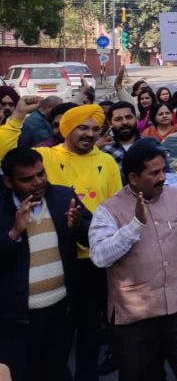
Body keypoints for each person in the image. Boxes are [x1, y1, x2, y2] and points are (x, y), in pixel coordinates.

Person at [0, 99, 122, 381]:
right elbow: (7, 154)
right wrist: (18, 116)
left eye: (95, 129)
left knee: (89, 334)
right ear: (66, 129)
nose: (90, 134)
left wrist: (83, 228)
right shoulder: (44, 156)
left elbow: (113, 211)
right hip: (37, 286)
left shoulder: (101, 165)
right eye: (82, 127)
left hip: (90, 263)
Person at [89, 139, 177, 380]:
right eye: (154, 173)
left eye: (163, 170)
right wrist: (134, 226)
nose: (163, 177)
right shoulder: (108, 210)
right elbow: (100, 257)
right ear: (133, 178)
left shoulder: (175, 196)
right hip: (135, 320)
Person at [0, 148, 90, 381]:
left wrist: (78, 226)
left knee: (57, 371)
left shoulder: (62, 196)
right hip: (17, 319)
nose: (37, 182)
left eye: (41, 174)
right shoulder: (1, 208)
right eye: (27, 179)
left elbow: (92, 238)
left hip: (60, 310)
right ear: (9, 182)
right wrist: (14, 232)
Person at [102, 102, 140, 172]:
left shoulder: (150, 145)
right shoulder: (103, 151)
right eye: (118, 119)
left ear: (136, 119)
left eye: (129, 117)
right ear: (110, 123)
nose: (125, 122)